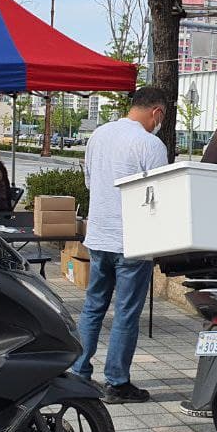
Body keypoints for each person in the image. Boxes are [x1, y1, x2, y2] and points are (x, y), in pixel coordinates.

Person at [71, 86, 168, 403]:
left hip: (99, 236)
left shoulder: (99, 135)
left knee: (92, 307)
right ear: (157, 113)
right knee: (126, 313)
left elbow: (89, 181)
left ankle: (78, 374)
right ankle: (117, 381)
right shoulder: (150, 143)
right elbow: (157, 195)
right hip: (133, 241)